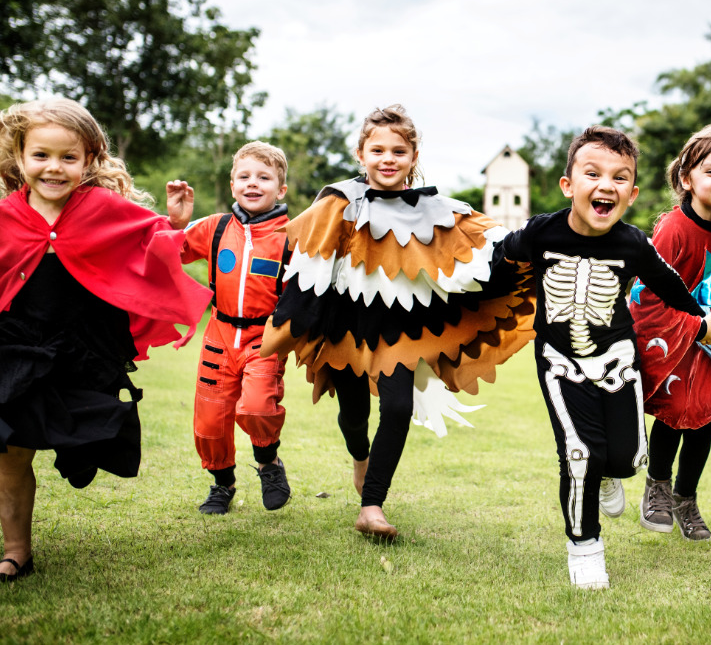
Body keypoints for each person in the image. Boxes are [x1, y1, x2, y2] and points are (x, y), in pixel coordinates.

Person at [261, 105, 534, 542]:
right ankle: (359, 457)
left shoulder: (440, 210)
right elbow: (296, 253)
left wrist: (548, 238)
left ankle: (372, 506)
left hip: (402, 329)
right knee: (354, 415)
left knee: (399, 409)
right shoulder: (337, 203)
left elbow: (494, 243)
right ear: (361, 153)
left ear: (413, 156)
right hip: (345, 326)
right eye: (378, 150)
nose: (388, 158)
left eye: (398, 151)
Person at [496, 125, 711, 590]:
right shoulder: (541, 231)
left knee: (625, 457)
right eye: (593, 173)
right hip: (559, 362)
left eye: (620, 178)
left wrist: (702, 321)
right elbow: (498, 260)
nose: (606, 185)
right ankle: (584, 547)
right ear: (569, 185)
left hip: (619, 359)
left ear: (632, 193)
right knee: (580, 453)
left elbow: (670, 286)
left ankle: (607, 474)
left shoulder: (633, 243)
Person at [0, 99, 210, 582]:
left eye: (68, 157)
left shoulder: (100, 208)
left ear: (90, 160)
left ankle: (79, 451)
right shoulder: (7, 216)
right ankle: (16, 550)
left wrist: (176, 226)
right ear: (20, 156)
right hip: (18, 342)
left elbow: (151, 246)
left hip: (84, 345)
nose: (54, 168)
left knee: (81, 443)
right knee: (9, 449)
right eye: (41, 155)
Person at [630, 124, 711, 541]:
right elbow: (649, 295)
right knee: (675, 414)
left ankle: (686, 498)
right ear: (687, 178)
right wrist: (693, 326)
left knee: (703, 419)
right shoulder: (673, 229)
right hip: (674, 339)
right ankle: (658, 486)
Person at [169, 142, 293, 515]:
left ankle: (269, 463)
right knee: (210, 420)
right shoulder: (215, 227)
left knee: (256, 407)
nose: (253, 184)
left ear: (281, 189)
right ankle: (223, 486)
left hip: (265, 337)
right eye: (244, 176)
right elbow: (169, 251)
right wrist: (175, 223)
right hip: (219, 334)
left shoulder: (292, 235)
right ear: (232, 184)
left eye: (264, 177)